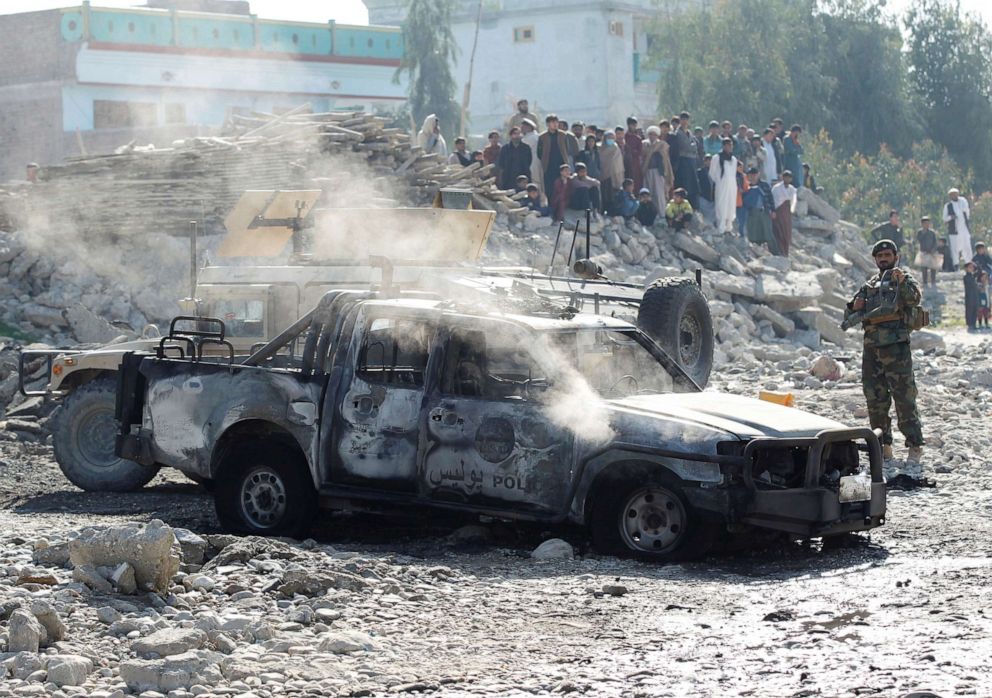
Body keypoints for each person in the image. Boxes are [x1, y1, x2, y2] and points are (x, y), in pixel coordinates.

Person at [845, 239, 925, 463]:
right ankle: (883, 446)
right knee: (875, 399)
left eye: (887, 255)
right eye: (880, 256)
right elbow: (851, 309)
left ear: (895, 257)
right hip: (871, 349)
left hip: (896, 348)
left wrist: (901, 281)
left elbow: (914, 298)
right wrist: (855, 305)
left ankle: (914, 446)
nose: (883, 259)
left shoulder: (903, 279)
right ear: (875, 259)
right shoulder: (869, 285)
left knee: (904, 398)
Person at [538, 115, 576, 198]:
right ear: (548, 124)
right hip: (548, 165)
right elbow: (539, 153)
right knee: (550, 187)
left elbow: (566, 149)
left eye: (556, 122)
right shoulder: (542, 137)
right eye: (552, 122)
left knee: (563, 186)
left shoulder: (563, 135)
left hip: (561, 164)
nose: (555, 124)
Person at [708, 138, 738, 234]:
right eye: (728, 145)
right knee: (721, 204)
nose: (730, 147)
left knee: (731, 203)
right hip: (722, 184)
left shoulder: (733, 159)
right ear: (724, 146)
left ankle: (729, 226)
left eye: (731, 145)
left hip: (732, 184)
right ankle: (720, 226)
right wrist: (719, 181)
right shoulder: (717, 157)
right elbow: (712, 172)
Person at [746, 168, 779, 254]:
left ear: (758, 174)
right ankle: (756, 252)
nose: (753, 176)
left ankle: (775, 253)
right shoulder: (747, 185)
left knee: (768, 233)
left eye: (754, 174)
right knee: (754, 233)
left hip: (764, 211)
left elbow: (770, 198)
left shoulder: (764, 185)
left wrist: (773, 210)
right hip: (752, 213)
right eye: (751, 174)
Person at [642, 124, 674, 214]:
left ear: (657, 135)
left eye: (654, 134)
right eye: (650, 134)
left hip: (658, 172)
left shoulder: (662, 144)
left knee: (659, 193)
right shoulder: (644, 144)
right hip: (647, 171)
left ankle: (661, 213)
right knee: (648, 192)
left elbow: (665, 159)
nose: (652, 136)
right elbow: (643, 156)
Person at [673, 113, 699, 209]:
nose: (684, 121)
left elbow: (695, 146)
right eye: (683, 119)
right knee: (685, 184)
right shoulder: (677, 133)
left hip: (692, 161)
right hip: (683, 162)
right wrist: (691, 146)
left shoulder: (689, 133)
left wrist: (691, 146)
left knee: (693, 185)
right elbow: (685, 146)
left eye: (686, 119)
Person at [943, 187, 972, 269]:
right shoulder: (948, 206)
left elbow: (966, 211)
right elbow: (944, 219)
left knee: (967, 246)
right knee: (955, 248)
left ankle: (969, 263)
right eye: (952, 195)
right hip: (954, 230)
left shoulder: (963, 201)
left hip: (964, 228)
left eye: (955, 194)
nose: (954, 196)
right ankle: (956, 265)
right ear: (950, 196)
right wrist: (951, 217)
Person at [496, 126, 532, 191]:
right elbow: (501, 163)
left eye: (519, 133)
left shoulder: (526, 148)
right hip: (508, 176)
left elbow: (529, 160)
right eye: (515, 133)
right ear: (511, 135)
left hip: (523, 174)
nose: (517, 136)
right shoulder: (505, 149)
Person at [771, 170, 798, 256]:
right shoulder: (776, 188)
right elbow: (773, 200)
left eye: (789, 177)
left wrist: (792, 210)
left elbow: (793, 201)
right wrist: (773, 211)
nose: (787, 179)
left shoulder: (792, 189)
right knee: (778, 231)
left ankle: (786, 251)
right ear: (783, 178)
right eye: (785, 177)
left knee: (786, 232)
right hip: (778, 212)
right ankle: (779, 250)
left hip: (786, 213)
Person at [599, 131, 625, 215]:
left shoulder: (616, 148)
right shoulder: (599, 147)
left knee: (611, 195)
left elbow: (618, 163)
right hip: (601, 174)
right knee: (602, 194)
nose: (610, 140)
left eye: (612, 138)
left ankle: (611, 212)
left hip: (613, 175)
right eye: (608, 138)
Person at [914, 216, 941, 288]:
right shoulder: (920, 232)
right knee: (924, 269)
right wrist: (923, 233)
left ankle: (933, 282)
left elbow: (935, 242)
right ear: (922, 224)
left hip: (931, 252)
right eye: (925, 223)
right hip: (924, 252)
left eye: (928, 223)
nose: (927, 225)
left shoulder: (932, 232)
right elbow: (919, 240)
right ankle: (925, 282)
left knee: (933, 269)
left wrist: (933, 250)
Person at [519, 119, 543, 194]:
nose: (522, 129)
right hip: (535, 161)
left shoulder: (530, 138)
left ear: (529, 127)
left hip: (533, 161)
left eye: (524, 127)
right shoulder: (535, 136)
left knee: (535, 180)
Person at [623, 116, 644, 191]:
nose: (634, 127)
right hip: (625, 163)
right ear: (628, 125)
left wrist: (632, 151)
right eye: (632, 125)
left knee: (637, 182)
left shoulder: (637, 138)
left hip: (635, 164)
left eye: (635, 125)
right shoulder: (624, 137)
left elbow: (639, 152)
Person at [697, 154, 716, 225]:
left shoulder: (716, 172)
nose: (709, 162)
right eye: (707, 161)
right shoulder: (700, 172)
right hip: (704, 197)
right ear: (704, 162)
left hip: (713, 199)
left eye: (710, 160)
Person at [964, 261, 979, 331]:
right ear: (966, 269)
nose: (971, 269)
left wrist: (976, 266)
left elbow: (979, 272)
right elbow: (970, 284)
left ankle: (974, 323)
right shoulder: (966, 277)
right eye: (970, 267)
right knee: (969, 310)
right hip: (969, 296)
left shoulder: (973, 276)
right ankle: (970, 324)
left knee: (975, 309)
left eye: (972, 267)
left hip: (975, 295)